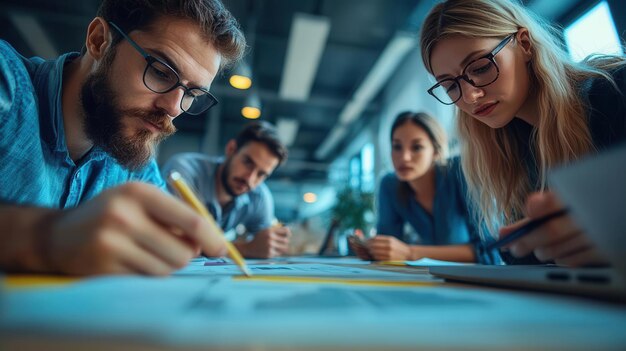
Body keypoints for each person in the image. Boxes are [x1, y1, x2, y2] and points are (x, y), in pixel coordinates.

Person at [0, 0, 247, 275]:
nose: (174, 108)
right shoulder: (7, 86)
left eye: (192, 94)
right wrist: (44, 238)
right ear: (99, 41)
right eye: (161, 72)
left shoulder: (136, 166)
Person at [420, 0, 626, 266]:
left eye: (481, 67)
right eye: (449, 85)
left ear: (525, 44)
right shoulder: (510, 147)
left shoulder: (616, 92)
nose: (470, 96)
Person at [351, 111, 498, 264]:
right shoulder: (389, 185)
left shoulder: (462, 171)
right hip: (428, 278)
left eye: (417, 147)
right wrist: (375, 250)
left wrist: (410, 253)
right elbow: (389, 244)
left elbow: (491, 251)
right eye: (397, 146)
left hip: (470, 279)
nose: (404, 157)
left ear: (436, 151)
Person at [162, 121, 292, 259]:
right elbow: (175, 241)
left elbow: (264, 243)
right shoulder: (184, 171)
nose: (250, 178)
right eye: (248, 162)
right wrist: (246, 248)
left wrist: (271, 243)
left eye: (261, 174)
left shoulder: (259, 196)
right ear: (231, 149)